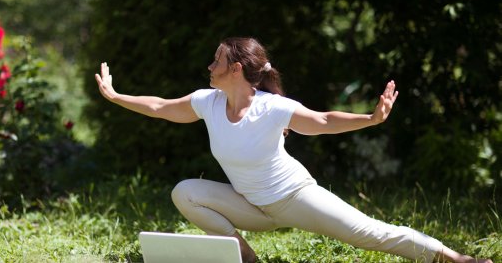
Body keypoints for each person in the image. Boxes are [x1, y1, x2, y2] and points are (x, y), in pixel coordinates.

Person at [95, 37, 493, 263]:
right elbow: (163, 108)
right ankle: (246, 258)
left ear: (237, 70)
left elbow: (322, 121)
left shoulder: (273, 109)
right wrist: (115, 96)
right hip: (250, 205)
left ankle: (456, 260)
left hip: (293, 198)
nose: (210, 66)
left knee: (370, 233)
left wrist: (370, 119)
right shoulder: (208, 102)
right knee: (185, 191)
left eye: (217, 61)